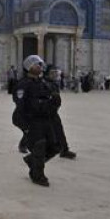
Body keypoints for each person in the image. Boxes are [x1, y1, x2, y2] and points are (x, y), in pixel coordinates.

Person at [14, 55, 61, 186]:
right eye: (37, 64)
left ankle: (32, 161)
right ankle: (37, 175)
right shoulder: (23, 84)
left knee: (55, 146)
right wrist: (26, 125)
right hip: (32, 120)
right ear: (29, 67)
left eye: (40, 64)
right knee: (39, 146)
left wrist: (55, 102)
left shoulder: (43, 83)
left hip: (46, 119)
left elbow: (50, 99)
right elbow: (21, 105)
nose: (40, 67)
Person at [44, 65, 77, 159]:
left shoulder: (54, 83)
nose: (55, 74)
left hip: (53, 112)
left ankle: (64, 150)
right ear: (47, 73)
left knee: (59, 131)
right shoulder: (43, 83)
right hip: (45, 112)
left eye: (55, 72)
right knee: (40, 131)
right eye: (52, 72)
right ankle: (24, 145)